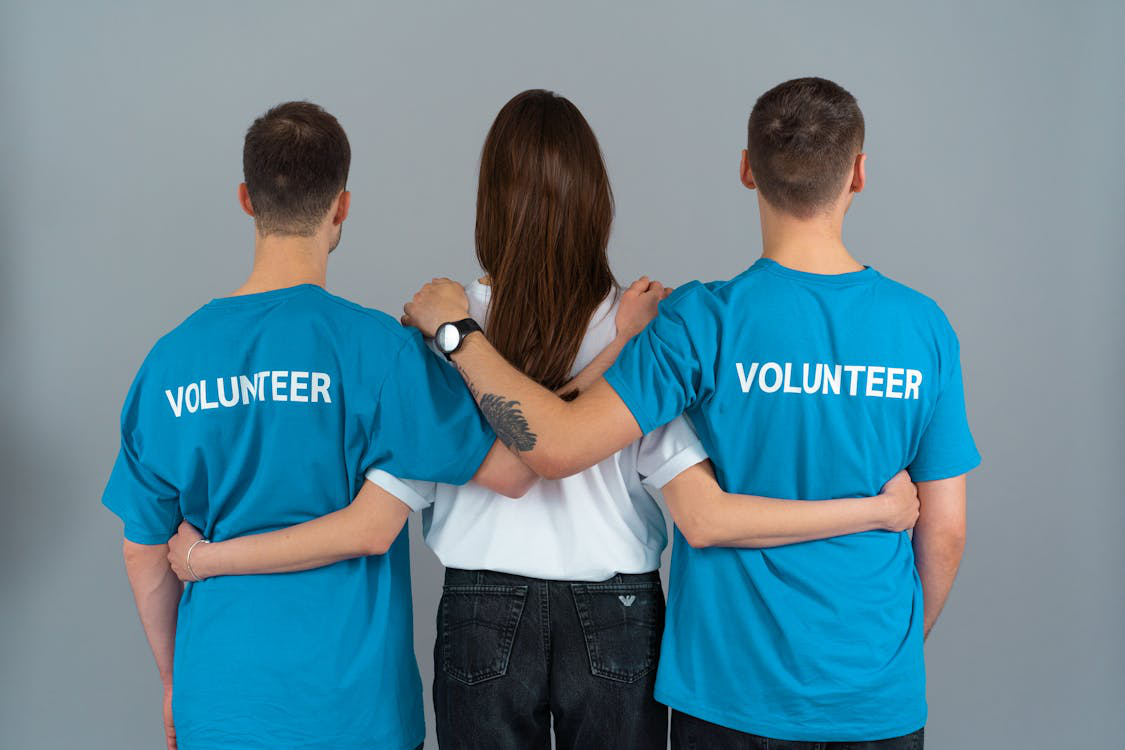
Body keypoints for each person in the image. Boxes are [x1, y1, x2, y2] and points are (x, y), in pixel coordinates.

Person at [165, 89, 920, 750]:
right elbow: (571, 444)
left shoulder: (445, 329)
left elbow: (499, 459)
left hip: (482, 605)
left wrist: (206, 561)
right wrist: (620, 341)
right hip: (617, 608)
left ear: (490, 198)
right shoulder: (647, 327)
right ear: (594, 196)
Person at [401, 78, 980, 749]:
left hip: (728, 686)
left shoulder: (701, 323)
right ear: (857, 173)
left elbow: (556, 450)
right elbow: (944, 533)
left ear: (746, 168)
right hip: (867, 681)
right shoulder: (922, 327)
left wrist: (456, 334)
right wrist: (881, 555)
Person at [101, 101, 537, 750]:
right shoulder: (380, 353)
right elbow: (516, 462)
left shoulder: (169, 361)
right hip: (354, 713)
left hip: (218, 703)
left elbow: (144, 549)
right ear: (341, 207)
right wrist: (459, 337)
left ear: (247, 200)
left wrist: (175, 681)